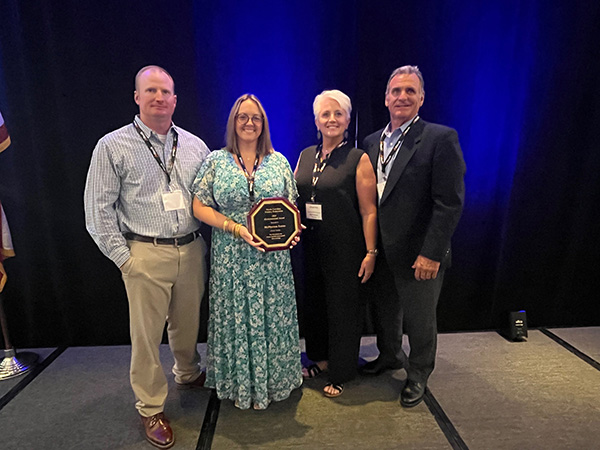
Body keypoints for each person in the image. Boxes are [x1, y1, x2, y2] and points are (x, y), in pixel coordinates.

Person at [84, 65, 209, 449]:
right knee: (146, 337)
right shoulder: (112, 146)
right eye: (150, 91)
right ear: (137, 97)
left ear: (175, 99)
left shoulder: (194, 146)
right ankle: (151, 406)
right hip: (144, 252)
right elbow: (97, 210)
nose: (159, 98)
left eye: (166, 91)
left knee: (187, 325)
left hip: (190, 250)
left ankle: (187, 372)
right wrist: (125, 259)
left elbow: (211, 199)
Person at [361, 66, 466, 407]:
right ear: (386, 98)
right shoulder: (371, 142)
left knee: (420, 319)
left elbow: (449, 203)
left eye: (410, 91)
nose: (402, 97)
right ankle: (390, 356)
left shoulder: (440, 138)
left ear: (421, 97)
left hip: (419, 251)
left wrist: (432, 253)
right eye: (396, 91)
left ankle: (418, 373)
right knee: (386, 312)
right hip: (382, 250)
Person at [191, 93, 302, 410]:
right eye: (243, 117)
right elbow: (198, 206)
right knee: (238, 319)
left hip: (272, 262)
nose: (249, 123)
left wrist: (292, 234)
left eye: (255, 117)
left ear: (263, 123)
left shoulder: (279, 161)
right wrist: (236, 228)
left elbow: (290, 208)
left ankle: (273, 383)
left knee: (271, 319)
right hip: (232, 256)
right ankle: (241, 386)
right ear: (233, 122)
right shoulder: (216, 161)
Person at [295, 90, 377, 398]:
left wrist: (371, 252)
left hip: (346, 248)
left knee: (343, 309)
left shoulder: (358, 158)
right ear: (316, 120)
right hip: (310, 247)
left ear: (347, 120)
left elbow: (369, 210)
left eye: (338, 114)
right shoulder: (305, 155)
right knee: (315, 304)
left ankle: (343, 371)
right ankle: (320, 358)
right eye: (325, 114)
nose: (332, 119)